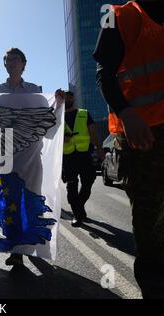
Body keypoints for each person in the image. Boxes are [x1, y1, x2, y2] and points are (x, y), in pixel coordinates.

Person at [93, 0, 164, 298]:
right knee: (149, 218)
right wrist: (126, 114)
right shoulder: (116, 16)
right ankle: (158, 291)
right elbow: (103, 73)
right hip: (148, 130)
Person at [0, 48, 47, 267]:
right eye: (7, 59)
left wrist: (59, 104)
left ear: (24, 63)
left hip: (31, 154)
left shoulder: (34, 91)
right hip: (6, 155)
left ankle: (31, 243)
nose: (10, 62)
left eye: (15, 59)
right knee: (11, 202)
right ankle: (17, 250)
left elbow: (46, 119)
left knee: (31, 200)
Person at [61, 91, 104, 227]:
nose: (68, 98)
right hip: (68, 156)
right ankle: (77, 216)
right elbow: (52, 136)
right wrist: (63, 137)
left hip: (85, 154)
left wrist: (99, 149)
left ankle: (78, 206)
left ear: (73, 98)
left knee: (88, 182)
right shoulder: (58, 117)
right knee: (72, 186)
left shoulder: (84, 113)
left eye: (70, 96)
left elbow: (93, 132)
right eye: (65, 97)